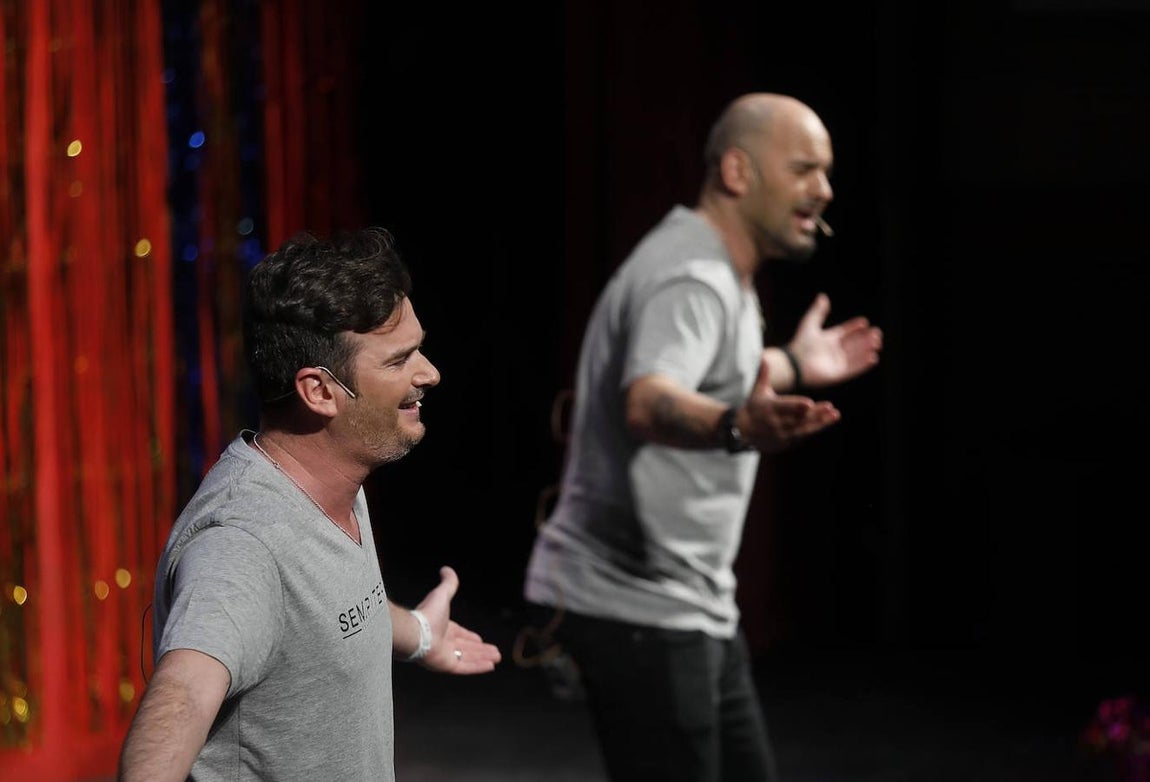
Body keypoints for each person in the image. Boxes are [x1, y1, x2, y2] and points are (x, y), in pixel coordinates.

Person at [522, 92, 883, 781]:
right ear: (738, 172)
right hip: (634, 606)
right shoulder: (693, 275)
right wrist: (736, 425)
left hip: (686, 607)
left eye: (827, 172)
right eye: (805, 168)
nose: (824, 190)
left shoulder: (713, 265)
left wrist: (799, 364)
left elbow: (713, 369)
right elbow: (650, 400)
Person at [118, 226, 502, 782]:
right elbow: (180, 694)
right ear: (319, 392)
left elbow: (319, 613)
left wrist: (416, 631)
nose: (429, 373)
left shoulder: (333, 476)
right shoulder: (241, 545)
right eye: (399, 361)